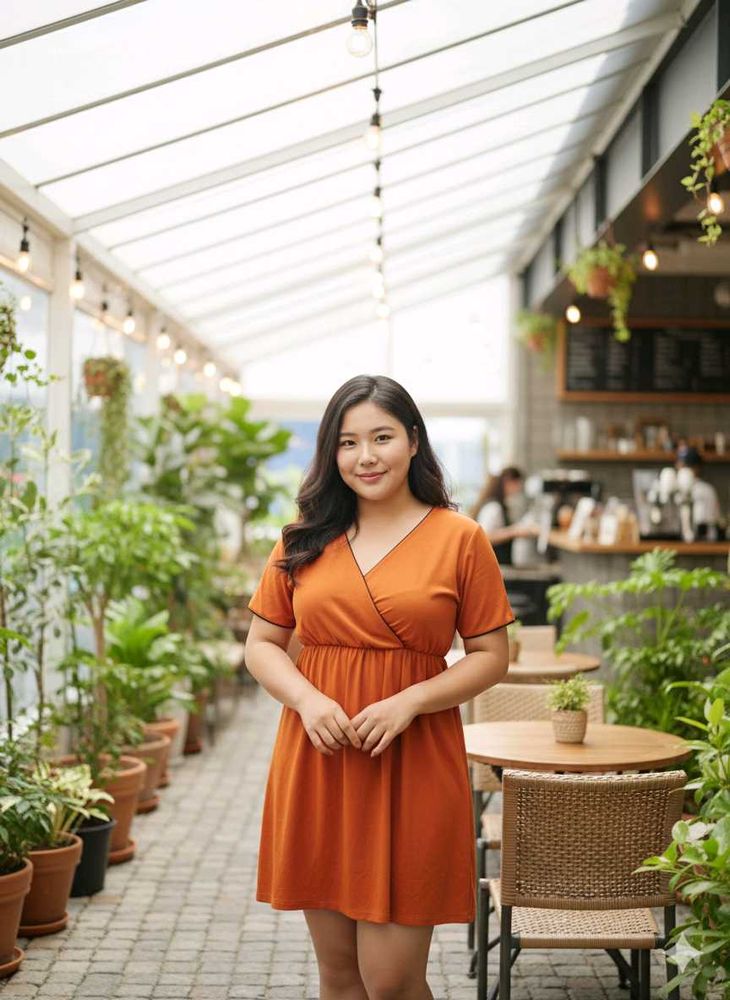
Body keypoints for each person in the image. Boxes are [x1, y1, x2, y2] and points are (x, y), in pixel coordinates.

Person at [244, 375, 513, 1000]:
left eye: (382, 437)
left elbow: (491, 656)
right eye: (348, 442)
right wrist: (308, 699)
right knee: (339, 975)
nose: (365, 456)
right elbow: (261, 646)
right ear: (330, 454)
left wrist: (412, 699)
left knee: (390, 981)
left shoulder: (460, 538)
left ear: (413, 442)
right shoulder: (301, 539)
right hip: (320, 755)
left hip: (413, 758)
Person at [470, 466, 539, 564]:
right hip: (494, 564)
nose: (519, 489)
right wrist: (514, 531)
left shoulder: (499, 504)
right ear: (509, 482)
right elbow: (485, 536)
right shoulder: (494, 507)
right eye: (518, 484)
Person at [675, 445, 721, 538]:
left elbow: (712, 525)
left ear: (698, 467)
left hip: (701, 542)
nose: (684, 470)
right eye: (682, 466)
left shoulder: (707, 490)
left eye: (689, 466)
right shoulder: (670, 488)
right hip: (673, 540)